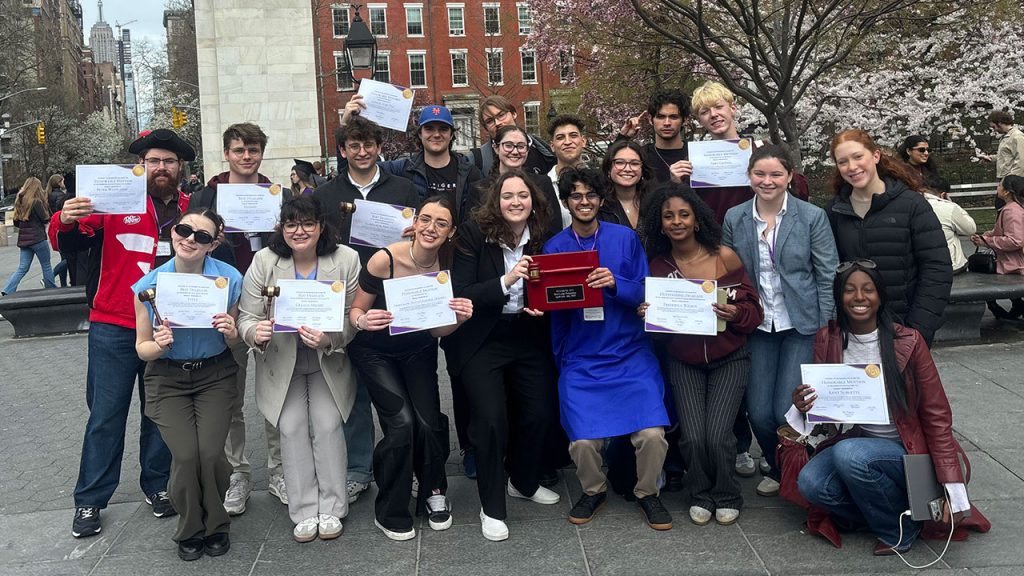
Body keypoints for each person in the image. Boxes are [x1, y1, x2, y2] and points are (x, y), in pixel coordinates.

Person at [794, 261, 987, 555]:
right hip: (858, 441)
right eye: (849, 290)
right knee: (811, 483)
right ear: (838, 297)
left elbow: (937, 415)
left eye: (868, 289)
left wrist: (952, 486)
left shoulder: (908, 341)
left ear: (880, 296)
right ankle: (898, 512)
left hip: (905, 450)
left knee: (851, 455)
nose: (859, 297)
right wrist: (803, 405)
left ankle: (898, 530)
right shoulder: (827, 338)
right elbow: (825, 415)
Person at [57, 128, 193, 538]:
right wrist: (65, 219)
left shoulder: (191, 208)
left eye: (169, 161)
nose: (161, 168)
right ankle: (90, 499)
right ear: (142, 165)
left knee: (159, 412)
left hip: (168, 326)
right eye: (153, 161)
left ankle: (157, 486)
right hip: (113, 325)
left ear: (180, 166)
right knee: (105, 415)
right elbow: (69, 243)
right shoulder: (113, 201)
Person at [545, 167, 673, 531]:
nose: (583, 202)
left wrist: (616, 283)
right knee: (583, 441)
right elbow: (555, 314)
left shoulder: (624, 239)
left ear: (602, 200)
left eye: (590, 195)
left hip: (630, 353)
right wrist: (563, 361)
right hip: (582, 358)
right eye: (576, 196)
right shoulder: (555, 247)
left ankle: (648, 492)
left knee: (652, 435)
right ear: (567, 202)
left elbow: (647, 292)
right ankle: (594, 489)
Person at [347, 195, 474, 541]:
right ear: (414, 223)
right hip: (375, 351)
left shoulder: (447, 268)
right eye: (426, 219)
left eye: (441, 223)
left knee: (429, 420)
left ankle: (434, 489)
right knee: (401, 423)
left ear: (451, 232)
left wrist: (459, 319)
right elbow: (355, 311)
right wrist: (363, 320)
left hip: (418, 349)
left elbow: (437, 329)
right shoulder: (383, 259)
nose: (432, 228)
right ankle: (391, 506)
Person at [238, 196, 362, 542]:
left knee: (327, 425)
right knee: (291, 427)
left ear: (321, 226)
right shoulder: (264, 261)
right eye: (291, 224)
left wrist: (329, 338)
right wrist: (254, 332)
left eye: (308, 223)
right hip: (281, 360)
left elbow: (354, 316)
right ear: (281, 228)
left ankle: (333, 506)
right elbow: (246, 316)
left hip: (327, 358)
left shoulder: (346, 259)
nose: (299, 231)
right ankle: (304, 508)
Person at [447, 170, 560, 541]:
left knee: (540, 413)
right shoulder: (473, 234)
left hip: (528, 335)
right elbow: (462, 292)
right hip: (483, 338)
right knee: (492, 420)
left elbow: (555, 286)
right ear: (496, 202)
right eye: (508, 196)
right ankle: (492, 507)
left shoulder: (543, 236)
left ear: (534, 201)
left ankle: (523, 482)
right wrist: (508, 281)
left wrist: (545, 306)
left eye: (522, 196)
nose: (515, 202)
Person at [314, 115, 420, 504]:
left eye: (369, 145)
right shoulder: (325, 194)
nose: (362, 152)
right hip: (344, 299)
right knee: (352, 390)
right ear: (342, 151)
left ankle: (402, 464)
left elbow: (422, 240)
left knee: (401, 392)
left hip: (396, 295)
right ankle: (358, 468)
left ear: (379, 147)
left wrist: (414, 233)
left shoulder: (405, 189)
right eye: (353, 146)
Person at [722, 145, 838, 497]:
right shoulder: (735, 217)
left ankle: (785, 468)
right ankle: (779, 461)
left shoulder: (811, 216)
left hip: (801, 324)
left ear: (789, 177)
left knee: (783, 407)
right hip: (757, 324)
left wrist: (826, 324)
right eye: (760, 174)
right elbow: (728, 272)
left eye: (775, 174)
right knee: (757, 410)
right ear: (749, 177)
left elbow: (827, 272)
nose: (767, 181)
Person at [643, 184, 763, 526]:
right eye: (669, 216)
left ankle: (727, 494)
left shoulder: (723, 255)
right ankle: (700, 493)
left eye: (684, 214)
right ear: (661, 224)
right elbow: (657, 328)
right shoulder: (658, 265)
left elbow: (754, 311)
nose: (677, 221)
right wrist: (648, 314)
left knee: (719, 435)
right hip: (684, 361)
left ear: (697, 220)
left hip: (730, 358)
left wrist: (735, 314)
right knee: (693, 436)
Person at [132, 207, 241, 561]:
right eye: (184, 230)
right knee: (185, 454)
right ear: (173, 232)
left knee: (210, 454)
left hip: (215, 374)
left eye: (203, 236)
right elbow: (142, 348)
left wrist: (232, 332)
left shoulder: (229, 280)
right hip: (167, 379)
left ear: (213, 244)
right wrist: (158, 345)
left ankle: (217, 523)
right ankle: (191, 526)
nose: (190, 239)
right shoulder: (148, 286)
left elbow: (237, 341)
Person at [190, 123, 287, 516]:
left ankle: (280, 470)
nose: (246, 157)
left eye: (252, 150)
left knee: (276, 393)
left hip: (271, 302)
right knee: (228, 396)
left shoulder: (279, 194)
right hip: (226, 303)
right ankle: (237, 475)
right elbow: (189, 246)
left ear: (261, 153)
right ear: (226, 153)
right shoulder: (207, 196)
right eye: (238, 150)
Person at [826, 129, 952, 346]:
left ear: (875, 156)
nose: (852, 167)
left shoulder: (912, 204)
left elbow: (937, 268)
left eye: (858, 157)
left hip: (905, 327)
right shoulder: (835, 211)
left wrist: (917, 331)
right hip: (854, 333)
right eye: (843, 161)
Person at [340, 96, 483, 221]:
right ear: (419, 134)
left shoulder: (470, 173)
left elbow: (476, 218)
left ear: (451, 134)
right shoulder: (402, 169)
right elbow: (355, 168)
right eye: (429, 129)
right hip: (414, 248)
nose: (437, 134)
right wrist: (345, 124)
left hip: (457, 248)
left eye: (443, 129)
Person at [971, 175, 1024, 318]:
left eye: (1000, 185)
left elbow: (1015, 241)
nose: (997, 188)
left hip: (1013, 263)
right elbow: (1000, 231)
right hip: (1013, 259)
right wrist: (985, 236)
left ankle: (994, 304)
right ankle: (1017, 302)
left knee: (975, 265)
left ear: (1007, 192)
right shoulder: (1014, 208)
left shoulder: (1011, 211)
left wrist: (987, 241)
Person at [617, 89, 691, 184]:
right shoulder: (641, 156)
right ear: (650, 120)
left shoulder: (696, 154)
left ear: (684, 120)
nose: (667, 123)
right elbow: (611, 174)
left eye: (673, 117)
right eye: (660, 117)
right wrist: (623, 137)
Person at [473, 94, 556, 176]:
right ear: (486, 128)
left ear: (514, 114)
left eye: (501, 115)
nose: (497, 123)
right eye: (490, 121)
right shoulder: (477, 160)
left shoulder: (544, 151)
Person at [2, 177, 57, 294]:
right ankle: (51, 290)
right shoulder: (36, 202)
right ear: (37, 188)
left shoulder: (19, 200)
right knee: (46, 265)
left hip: (24, 240)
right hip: (37, 238)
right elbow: (45, 218)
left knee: (22, 268)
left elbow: (16, 222)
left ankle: (7, 290)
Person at [600, 140, 655, 236]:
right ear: (609, 168)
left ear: (642, 169)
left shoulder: (654, 202)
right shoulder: (599, 205)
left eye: (634, 163)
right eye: (620, 162)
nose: (627, 169)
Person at [923, 186, 976, 275]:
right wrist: (954, 206)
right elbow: (970, 229)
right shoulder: (948, 207)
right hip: (949, 265)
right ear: (943, 194)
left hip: (921, 266)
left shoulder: (910, 204)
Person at [547, 114, 588, 227]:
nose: (567, 142)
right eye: (560, 137)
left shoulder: (600, 182)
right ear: (552, 146)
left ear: (583, 141)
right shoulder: (542, 186)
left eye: (573, 136)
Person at [986, 110, 1024, 180]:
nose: (994, 130)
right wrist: (991, 158)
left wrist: (1010, 179)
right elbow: (1007, 156)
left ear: (1000, 123)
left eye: (994, 127)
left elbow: (1021, 161)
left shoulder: (1017, 137)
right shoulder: (1006, 137)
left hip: (1013, 181)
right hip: (1005, 178)